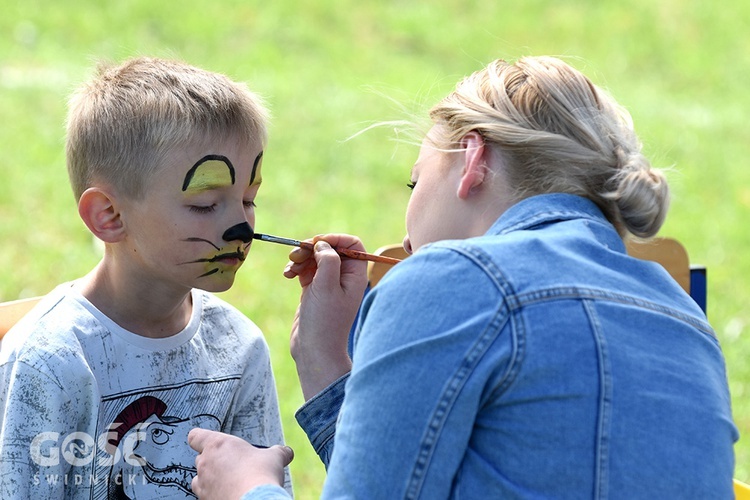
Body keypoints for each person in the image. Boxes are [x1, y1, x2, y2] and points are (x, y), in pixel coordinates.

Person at [189, 56, 739, 499]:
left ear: (472, 158)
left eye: (414, 183)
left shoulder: (450, 277)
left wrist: (248, 487)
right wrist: (325, 363)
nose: (406, 232)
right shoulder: (682, 313)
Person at [0, 57, 291, 498]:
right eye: (205, 203)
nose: (243, 227)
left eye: (249, 198)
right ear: (109, 216)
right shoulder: (53, 362)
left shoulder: (238, 347)